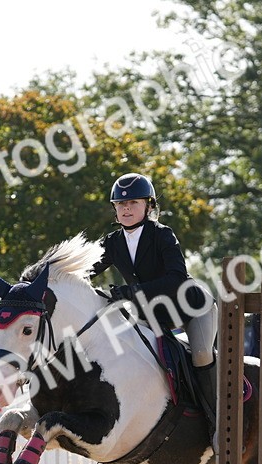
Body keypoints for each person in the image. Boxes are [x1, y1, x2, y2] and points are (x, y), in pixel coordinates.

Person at [91, 173, 218, 437]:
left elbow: (176, 279)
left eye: (133, 203)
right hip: (153, 315)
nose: (126, 208)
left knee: (202, 354)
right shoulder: (112, 242)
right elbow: (85, 269)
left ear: (149, 206)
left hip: (191, 307)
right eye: (120, 204)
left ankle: (218, 419)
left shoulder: (162, 235)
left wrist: (130, 292)